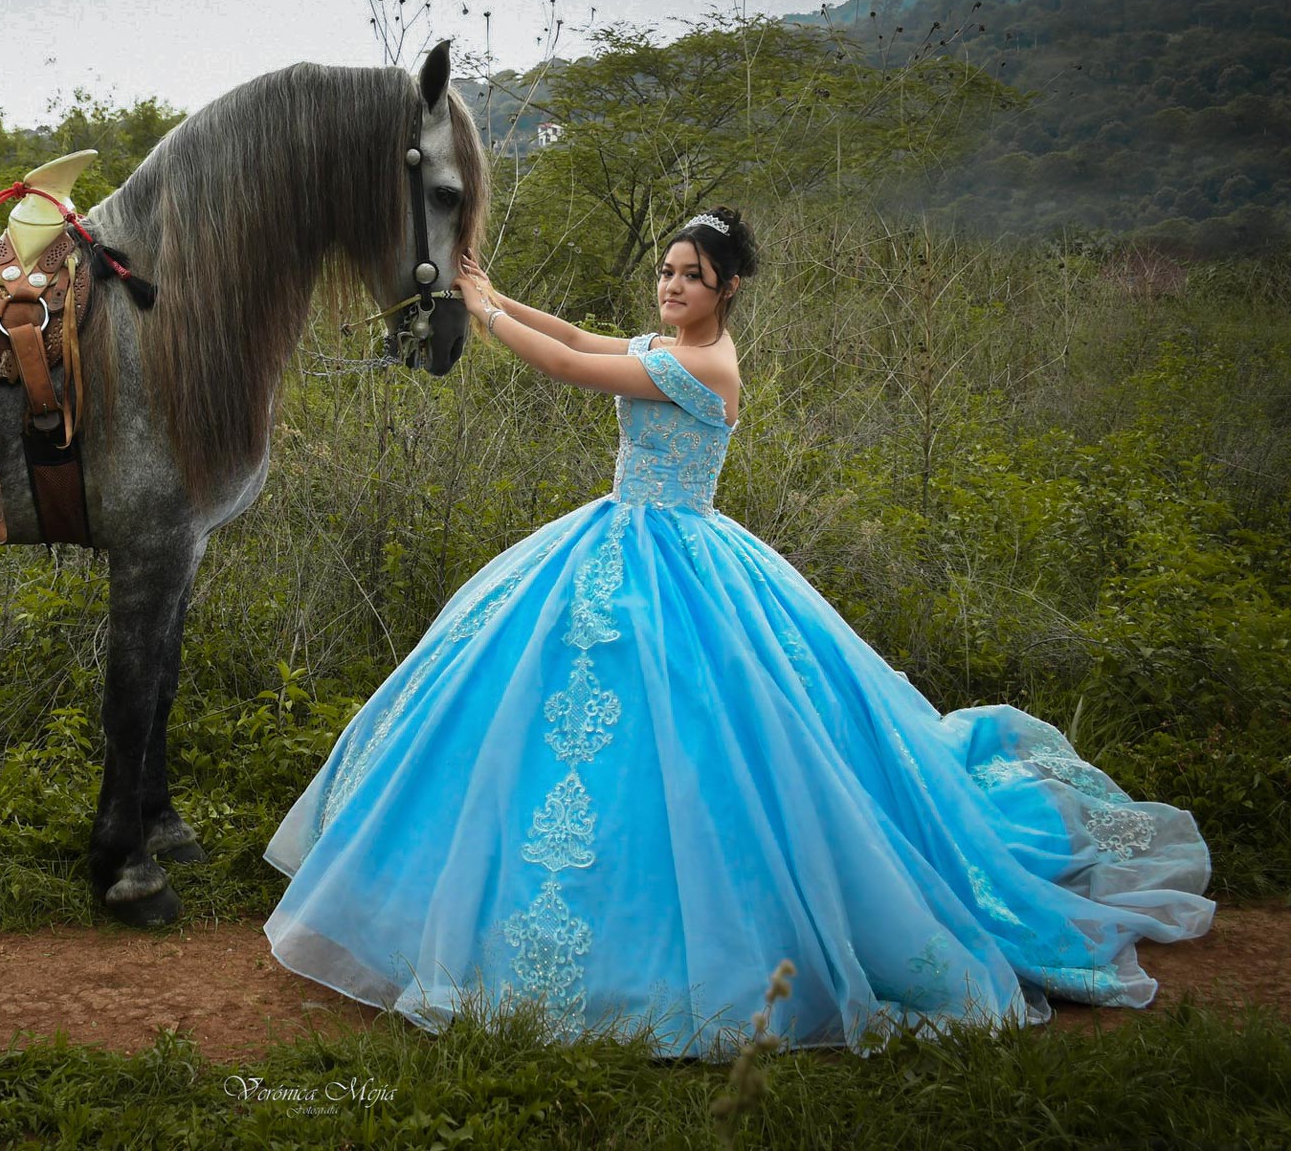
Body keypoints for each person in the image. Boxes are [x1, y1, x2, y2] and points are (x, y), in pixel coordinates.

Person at [262, 208, 1214, 1057]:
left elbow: (565, 366)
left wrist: (482, 312)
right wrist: (494, 289)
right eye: (667, 272)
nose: (673, 286)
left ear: (728, 292)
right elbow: (585, 334)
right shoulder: (670, 344)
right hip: (620, 538)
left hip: (673, 555)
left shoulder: (702, 364)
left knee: (696, 740)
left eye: (691, 277)